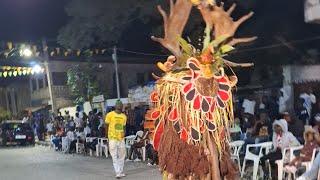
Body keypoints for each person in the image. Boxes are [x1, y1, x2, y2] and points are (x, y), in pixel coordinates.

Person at [105, 100, 127, 178]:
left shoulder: (124, 116)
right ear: (115, 106)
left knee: (122, 155)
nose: (120, 106)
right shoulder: (109, 115)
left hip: (121, 138)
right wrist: (106, 137)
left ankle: (120, 171)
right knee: (114, 156)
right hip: (112, 138)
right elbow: (106, 126)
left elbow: (124, 127)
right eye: (118, 105)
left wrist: (124, 133)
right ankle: (117, 172)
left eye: (121, 105)